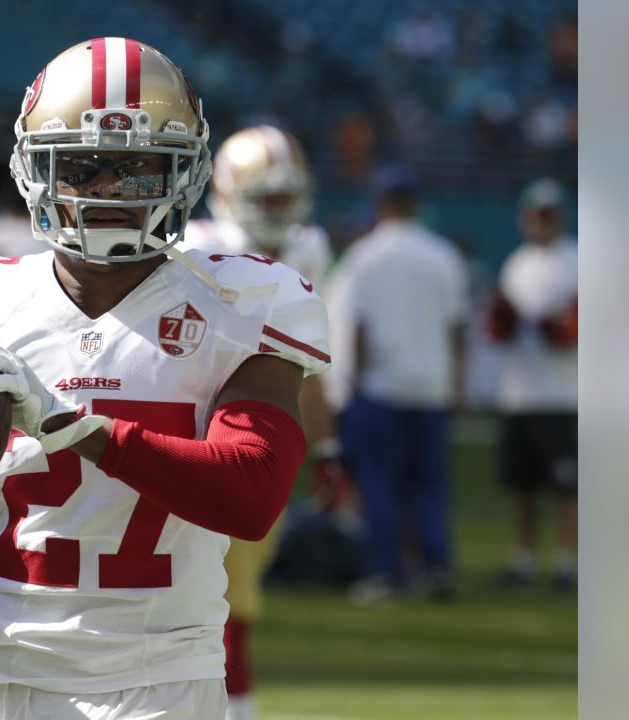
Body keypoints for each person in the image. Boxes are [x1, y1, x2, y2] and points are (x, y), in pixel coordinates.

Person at [0, 38, 330, 720]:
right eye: (82, 166)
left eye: (137, 167)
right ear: (34, 169)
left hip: (163, 683)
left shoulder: (243, 300)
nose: (106, 189)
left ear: (185, 173)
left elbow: (250, 497)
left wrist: (79, 430)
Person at [184, 124, 341, 720]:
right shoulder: (193, 246)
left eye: (284, 196)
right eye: (264, 197)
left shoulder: (307, 249)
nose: (278, 211)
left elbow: (309, 365)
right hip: (188, 430)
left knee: (237, 600)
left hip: (256, 436)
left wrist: (327, 447)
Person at [331, 164, 469, 603]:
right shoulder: (443, 254)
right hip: (430, 386)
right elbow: (457, 329)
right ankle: (436, 567)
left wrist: (353, 381)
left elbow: (358, 327)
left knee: (381, 484)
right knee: (429, 484)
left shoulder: (366, 255)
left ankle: (387, 572)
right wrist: (457, 385)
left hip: (383, 386)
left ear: (381, 203)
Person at [486, 178, 577, 591]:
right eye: (536, 214)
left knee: (568, 485)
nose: (542, 221)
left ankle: (566, 562)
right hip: (520, 390)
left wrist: (564, 328)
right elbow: (502, 323)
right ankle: (522, 559)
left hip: (565, 391)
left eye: (549, 214)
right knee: (522, 484)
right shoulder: (517, 263)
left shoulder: (576, 259)